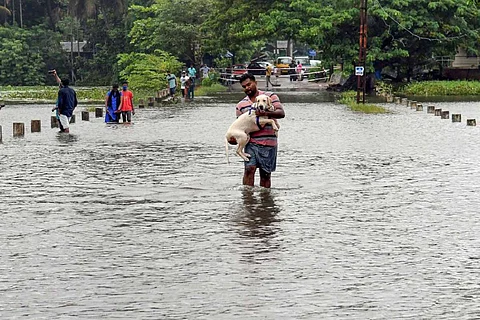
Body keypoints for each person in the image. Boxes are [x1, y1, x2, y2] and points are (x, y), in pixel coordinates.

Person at [236, 73, 285, 188]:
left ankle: (266, 202)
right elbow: (239, 127)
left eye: (249, 84)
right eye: (244, 87)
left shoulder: (270, 97)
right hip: (251, 143)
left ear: (255, 83)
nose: (247, 88)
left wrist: (265, 113)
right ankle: (248, 201)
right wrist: (234, 139)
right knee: (249, 170)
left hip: (269, 143)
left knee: (265, 174)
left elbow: (281, 113)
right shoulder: (241, 105)